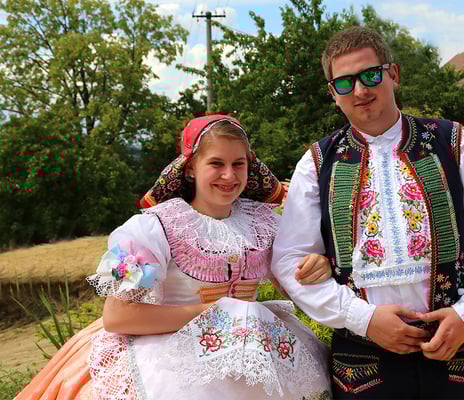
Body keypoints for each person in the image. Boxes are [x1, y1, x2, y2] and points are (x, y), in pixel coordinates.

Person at [271, 26, 464, 399]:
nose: (360, 90)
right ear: (333, 94)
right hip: (363, 364)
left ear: (394, 74)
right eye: (345, 83)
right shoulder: (318, 163)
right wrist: (364, 319)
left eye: (371, 75)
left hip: (453, 353)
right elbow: (290, 261)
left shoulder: (451, 142)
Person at [16, 114, 332, 400]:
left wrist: (318, 264)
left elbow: (296, 282)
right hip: (169, 357)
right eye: (216, 163)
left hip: (256, 353)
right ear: (190, 168)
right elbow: (117, 316)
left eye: (238, 164)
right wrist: (214, 312)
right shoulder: (151, 229)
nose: (229, 175)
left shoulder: (266, 223)